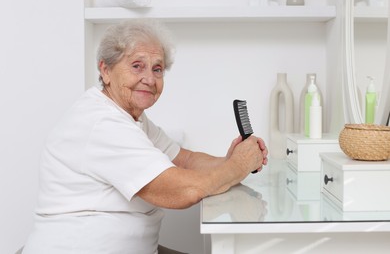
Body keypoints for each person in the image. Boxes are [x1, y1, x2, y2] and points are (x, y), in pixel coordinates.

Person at [22, 19, 268, 254]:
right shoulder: (102, 124)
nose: (149, 79)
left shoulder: (131, 117)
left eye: (157, 69)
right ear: (105, 70)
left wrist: (230, 160)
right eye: (137, 65)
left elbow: (185, 160)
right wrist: (239, 166)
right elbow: (185, 191)